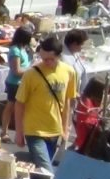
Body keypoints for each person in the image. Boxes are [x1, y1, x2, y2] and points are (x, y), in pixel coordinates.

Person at [15, 36, 76, 171]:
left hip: (55, 129)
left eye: (50, 59)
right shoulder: (31, 74)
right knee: (46, 170)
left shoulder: (69, 72)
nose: (46, 62)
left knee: (40, 170)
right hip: (34, 130)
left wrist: (65, 129)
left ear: (59, 56)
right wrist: (19, 132)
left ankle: (21, 164)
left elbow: (67, 102)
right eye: (43, 58)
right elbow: (19, 103)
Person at [0, 26, 33, 143]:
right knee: (10, 106)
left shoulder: (24, 48)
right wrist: (32, 68)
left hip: (24, 82)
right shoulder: (15, 50)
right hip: (14, 83)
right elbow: (16, 71)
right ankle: (4, 132)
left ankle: (21, 133)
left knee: (23, 109)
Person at [61, 28, 89, 93]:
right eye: (82, 44)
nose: (83, 47)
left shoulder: (74, 52)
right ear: (74, 44)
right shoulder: (64, 59)